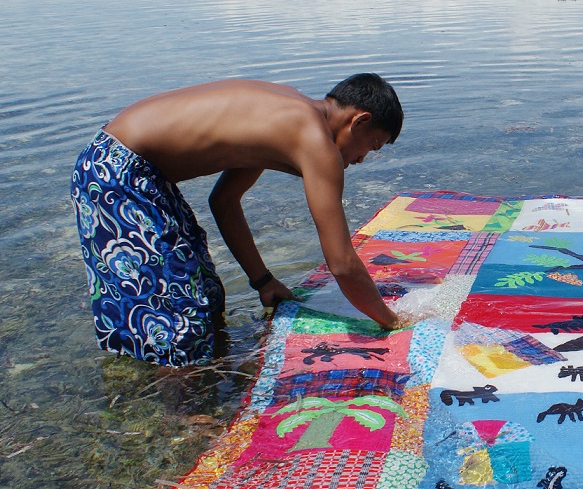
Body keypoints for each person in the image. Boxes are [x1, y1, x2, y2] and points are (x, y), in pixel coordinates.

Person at [72, 74, 405, 367]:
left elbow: (224, 202)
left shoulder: (286, 116)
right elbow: (343, 263)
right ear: (358, 121)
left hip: (128, 168)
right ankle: (183, 417)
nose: (362, 160)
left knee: (202, 288)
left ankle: (192, 383)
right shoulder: (314, 138)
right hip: (118, 171)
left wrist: (263, 281)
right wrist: (391, 320)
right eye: (371, 147)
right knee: (178, 308)